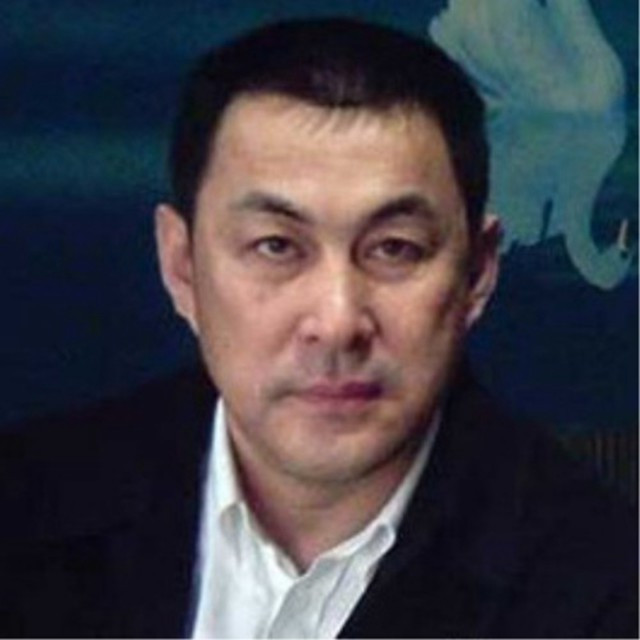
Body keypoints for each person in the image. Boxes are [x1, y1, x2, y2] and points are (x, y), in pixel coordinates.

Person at [0, 17, 636, 639]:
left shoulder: (604, 584)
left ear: (477, 273)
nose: (336, 323)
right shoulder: (27, 504)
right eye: (276, 246)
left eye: (395, 248)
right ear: (181, 266)